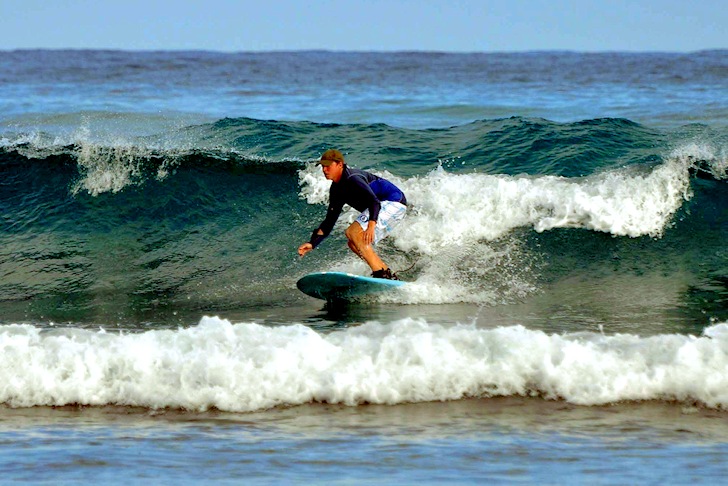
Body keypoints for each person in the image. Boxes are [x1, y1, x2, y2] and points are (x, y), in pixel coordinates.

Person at [297, 149, 407, 280]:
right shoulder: (336, 189)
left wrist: (371, 225)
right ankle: (386, 273)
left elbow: (374, 202)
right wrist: (313, 243)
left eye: (328, 166)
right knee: (353, 243)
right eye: (323, 166)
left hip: (394, 201)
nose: (324, 170)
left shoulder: (353, 179)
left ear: (340, 164)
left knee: (352, 232)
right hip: (381, 206)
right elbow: (330, 221)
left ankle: (380, 273)